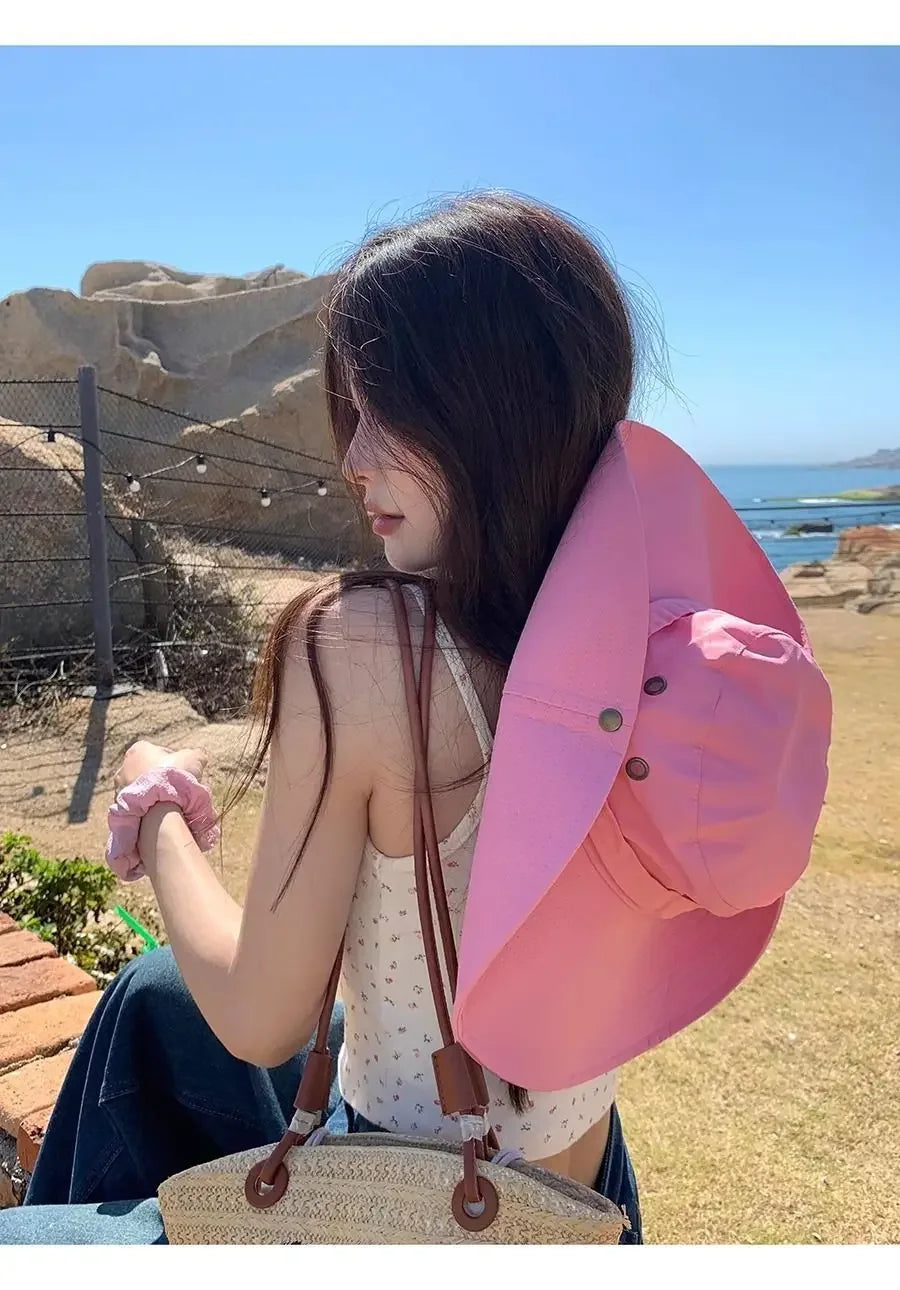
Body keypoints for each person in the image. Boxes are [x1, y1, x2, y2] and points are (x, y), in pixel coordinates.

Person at [0, 191, 831, 1245]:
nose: (353, 459)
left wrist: (156, 805)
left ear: (487, 412)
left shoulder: (364, 646)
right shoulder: (643, 635)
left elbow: (261, 1020)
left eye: (385, 412)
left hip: (429, 1216)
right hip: (586, 1188)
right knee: (152, 994)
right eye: (350, 414)